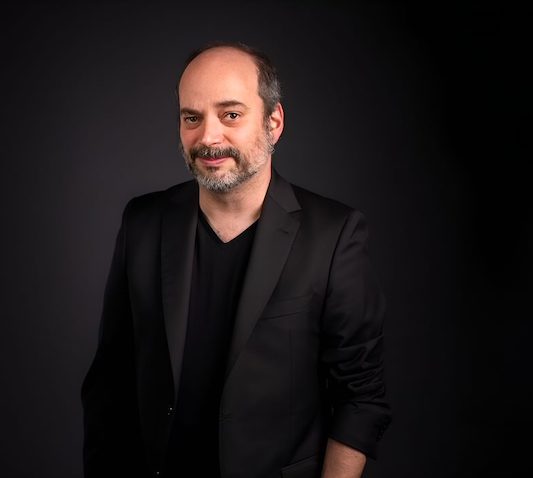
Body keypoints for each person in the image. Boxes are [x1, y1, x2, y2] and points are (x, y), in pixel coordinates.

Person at [81, 41, 391, 478]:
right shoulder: (143, 223)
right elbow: (110, 383)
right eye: (192, 117)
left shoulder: (334, 234)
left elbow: (360, 397)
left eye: (230, 115)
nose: (208, 138)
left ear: (273, 122)